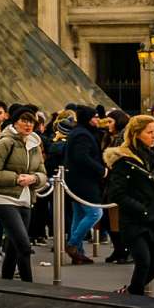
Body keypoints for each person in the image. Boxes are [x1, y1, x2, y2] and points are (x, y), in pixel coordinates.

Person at [106, 114, 154, 296]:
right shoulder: (124, 161)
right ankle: (135, 298)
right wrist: (141, 209)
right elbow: (116, 193)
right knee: (144, 261)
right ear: (136, 134)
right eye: (149, 132)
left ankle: (130, 292)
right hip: (135, 220)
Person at [0, 105, 48, 282]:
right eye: (24, 120)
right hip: (5, 199)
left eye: (31, 121)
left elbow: (43, 173)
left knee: (13, 248)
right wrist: (17, 178)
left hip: (26, 199)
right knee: (24, 246)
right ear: (15, 122)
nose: (28, 125)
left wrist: (34, 178)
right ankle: (29, 286)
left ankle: (7, 286)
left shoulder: (34, 143)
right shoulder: (5, 142)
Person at [63, 105, 106, 264]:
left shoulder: (79, 132)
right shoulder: (83, 135)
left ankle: (78, 253)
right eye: (94, 117)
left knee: (79, 214)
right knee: (95, 213)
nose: (97, 119)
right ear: (88, 118)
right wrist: (101, 170)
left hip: (76, 180)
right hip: (84, 181)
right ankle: (73, 244)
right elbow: (82, 157)